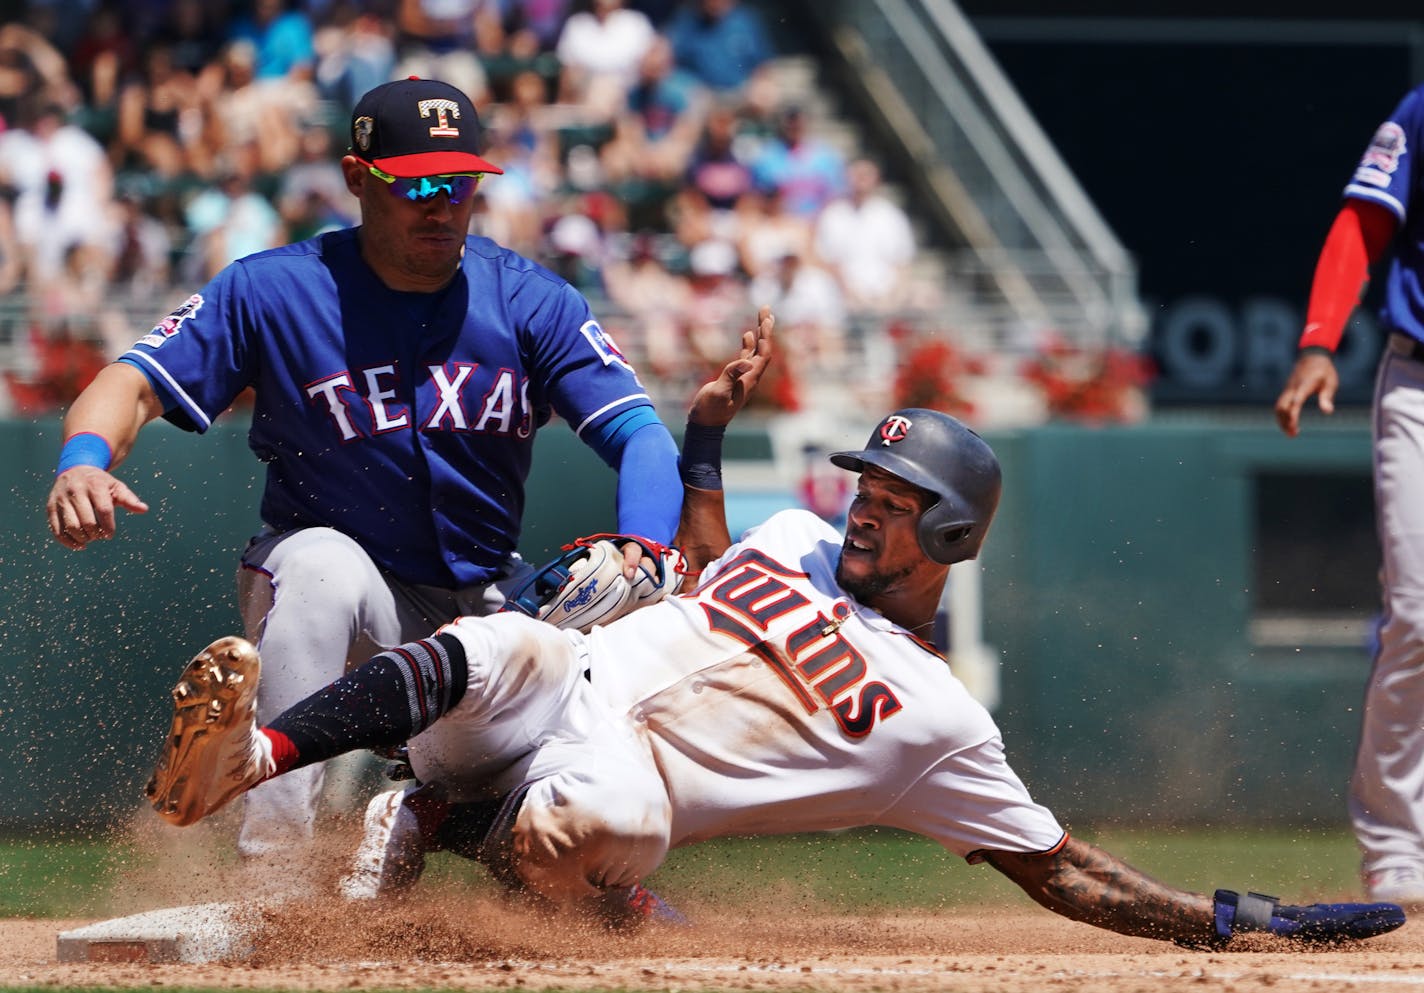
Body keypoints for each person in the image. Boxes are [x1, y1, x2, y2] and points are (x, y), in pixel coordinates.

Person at [145, 309, 1406, 948]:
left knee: (617, 822)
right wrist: (701, 435)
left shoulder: (940, 725)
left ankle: (430, 821)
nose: (864, 509)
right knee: (513, 644)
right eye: (865, 483)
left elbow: (1062, 871)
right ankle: (249, 761)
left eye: (897, 502)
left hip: (600, 790)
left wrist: (1231, 920)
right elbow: (698, 563)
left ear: (954, 538)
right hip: (553, 698)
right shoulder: (796, 540)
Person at [47, 76, 683, 891]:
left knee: (586, 832)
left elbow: (640, 435)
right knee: (319, 563)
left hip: (484, 610)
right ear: (357, 177)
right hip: (353, 613)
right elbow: (132, 382)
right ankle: (273, 875)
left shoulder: (529, 299)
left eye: (458, 185)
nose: (440, 205)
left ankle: (431, 812)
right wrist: (82, 461)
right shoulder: (274, 289)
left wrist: (642, 548)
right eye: (415, 183)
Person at [1274, 82, 1424, 906]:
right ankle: (1398, 839)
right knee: (1421, 614)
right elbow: (1363, 221)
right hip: (1421, 382)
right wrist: (1319, 341)